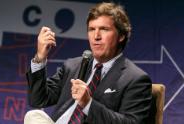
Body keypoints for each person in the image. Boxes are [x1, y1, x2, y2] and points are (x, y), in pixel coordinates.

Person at [24, 2, 152, 124]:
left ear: (121, 36)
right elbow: (38, 100)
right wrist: (40, 57)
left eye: (104, 29)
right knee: (34, 115)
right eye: (91, 29)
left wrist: (88, 104)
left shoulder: (135, 79)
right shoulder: (73, 66)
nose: (96, 36)